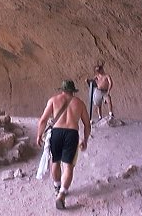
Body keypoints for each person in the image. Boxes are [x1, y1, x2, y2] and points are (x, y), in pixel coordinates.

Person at [36, 79, 91, 210]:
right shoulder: (80, 103)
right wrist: (85, 139)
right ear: (73, 91)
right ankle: (62, 194)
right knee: (68, 166)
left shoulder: (53, 100)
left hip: (56, 132)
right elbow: (87, 125)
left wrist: (39, 135)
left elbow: (43, 120)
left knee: (55, 162)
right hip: (72, 134)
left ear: (61, 89)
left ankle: (57, 186)